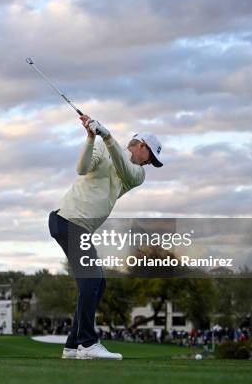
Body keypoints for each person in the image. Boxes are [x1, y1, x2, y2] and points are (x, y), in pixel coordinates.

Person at [48, 115, 164, 360]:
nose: (149, 164)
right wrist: (91, 138)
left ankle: (72, 346)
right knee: (91, 282)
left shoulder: (137, 174)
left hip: (77, 226)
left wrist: (107, 136)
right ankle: (88, 343)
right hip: (68, 220)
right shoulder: (102, 144)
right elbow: (81, 169)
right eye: (150, 158)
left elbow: (124, 167)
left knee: (97, 284)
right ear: (140, 146)